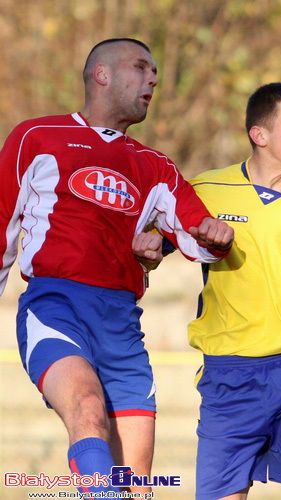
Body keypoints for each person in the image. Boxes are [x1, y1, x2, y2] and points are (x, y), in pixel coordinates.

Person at [0, 38, 233, 497]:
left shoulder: (155, 166)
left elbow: (196, 236)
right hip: (56, 308)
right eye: (141, 68)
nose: (153, 79)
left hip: (122, 326)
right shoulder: (37, 137)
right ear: (101, 75)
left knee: (133, 485)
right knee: (87, 408)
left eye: (155, 73)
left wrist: (215, 237)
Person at [135, 82, 281, 500]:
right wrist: (149, 249)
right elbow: (154, 244)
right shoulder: (205, 191)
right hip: (229, 380)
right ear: (259, 135)